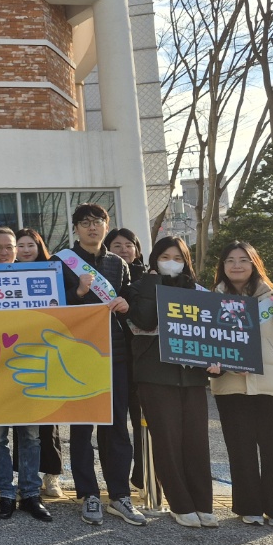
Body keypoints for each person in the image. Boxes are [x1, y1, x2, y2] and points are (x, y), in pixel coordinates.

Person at [61, 203, 146, 527]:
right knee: (82, 426)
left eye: (98, 222)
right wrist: (79, 292)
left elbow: (127, 304)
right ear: (76, 228)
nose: (92, 227)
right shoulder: (63, 262)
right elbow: (53, 305)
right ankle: (88, 494)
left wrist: (125, 304)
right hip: (78, 354)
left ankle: (119, 494)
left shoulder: (118, 264)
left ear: (106, 226)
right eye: (85, 223)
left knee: (116, 427)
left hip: (116, 353)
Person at [211, 240, 273, 528]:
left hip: (272, 383)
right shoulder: (210, 300)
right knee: (240, 449)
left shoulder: (271, 296)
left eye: (243, 259)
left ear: (254, 264)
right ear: (222, 267)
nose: (236, 265)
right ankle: (248, 507)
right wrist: (219, 367)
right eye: (230, 260)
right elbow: (207, 342)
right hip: (230, 385)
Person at [126, 236, 218, 528]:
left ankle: (204, 504)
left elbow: (212, 334)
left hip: (191, 377)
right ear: (154, 259)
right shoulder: (138, 288)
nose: (172, 262)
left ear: (186, 261)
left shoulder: (198, 291)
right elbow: (144, 323)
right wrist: (154, 284)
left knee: (196, 442)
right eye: (165, 256)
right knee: (166, 441)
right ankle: (180, 504)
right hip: (154, 376)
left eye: (178, 257)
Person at [0, 228, 52, 523]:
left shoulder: (36, 277)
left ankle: (31, 494)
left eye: (8, 247)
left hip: (29, 366)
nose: (3, 252)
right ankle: (6, 494)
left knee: (31, 435)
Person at [13, 226, 66, 498]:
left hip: (47, 353)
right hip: (15, 356)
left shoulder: (53, 272)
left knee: (48, 421)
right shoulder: (0, 276)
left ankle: (52, 477)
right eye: (20, 245)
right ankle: (26, 477)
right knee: (20, 422)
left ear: (39, 247)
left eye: (30, 245)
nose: (25, 250)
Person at [107, 226, 149, 488]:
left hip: (145, 359)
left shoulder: (150, 279)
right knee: (118, 421)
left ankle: (144, 473)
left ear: (137, 249)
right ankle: (120, 478)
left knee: (143, 420)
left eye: (129, 245)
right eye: (117, 246)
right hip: (119, 356)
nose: (124, 250)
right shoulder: (106, 277)